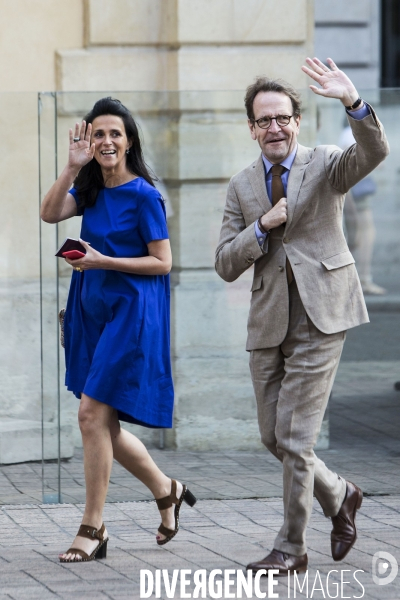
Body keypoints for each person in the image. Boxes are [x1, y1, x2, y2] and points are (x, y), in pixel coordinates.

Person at [215, 58, 389, 575]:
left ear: (296, 120)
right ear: (251, 129)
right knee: (274, 437)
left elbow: (375, 150)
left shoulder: (328, 163)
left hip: (322, 317)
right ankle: (341, 495)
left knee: (295, 440)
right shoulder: (241, 187)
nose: (274, 127)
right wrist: (262, 227)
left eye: (282, 118)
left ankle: (291, 547)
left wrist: (352, 101)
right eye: (263, 120)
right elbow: (225, 262)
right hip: (269, 321)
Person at [41, 97, 196, 563]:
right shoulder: (91, 190)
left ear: (129, 142)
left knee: (90, 416)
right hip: (92, 311)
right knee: (102, 422)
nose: (107, 141)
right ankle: (167, 491)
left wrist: (102, 261)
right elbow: (49, 213)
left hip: (132, 315)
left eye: (115, 134)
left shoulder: (145, 195)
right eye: (99, 134)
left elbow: (163, 262)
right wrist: (71, 167)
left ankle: (94, 526)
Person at [338, 124, 386, 295]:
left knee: (359, 235)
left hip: (354, 190)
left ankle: (360, 279)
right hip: (357, 190)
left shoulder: (346, 134)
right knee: (363, 235)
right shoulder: (351, 133)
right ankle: (363, 280)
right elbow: (369, 159)